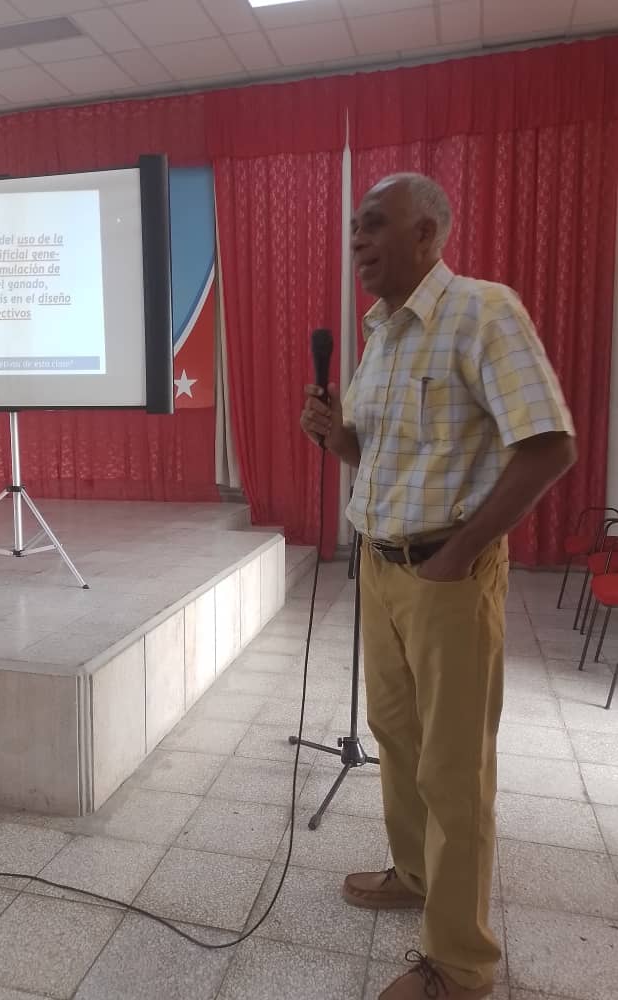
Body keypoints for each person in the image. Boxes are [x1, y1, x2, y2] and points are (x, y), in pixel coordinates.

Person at [300, 173, 576, 1000]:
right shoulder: (380, 335)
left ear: (427, 232)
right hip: (379, 566)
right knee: (396, 737)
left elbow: (549, 445)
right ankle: (416, 873)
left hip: (446, 576)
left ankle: (460, 961)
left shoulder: (483, 312)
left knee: (454, 768)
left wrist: (459, 554)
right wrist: (338, 439)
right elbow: (387, 457)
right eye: (354, 227)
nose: (357, 240)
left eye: (374, 224)